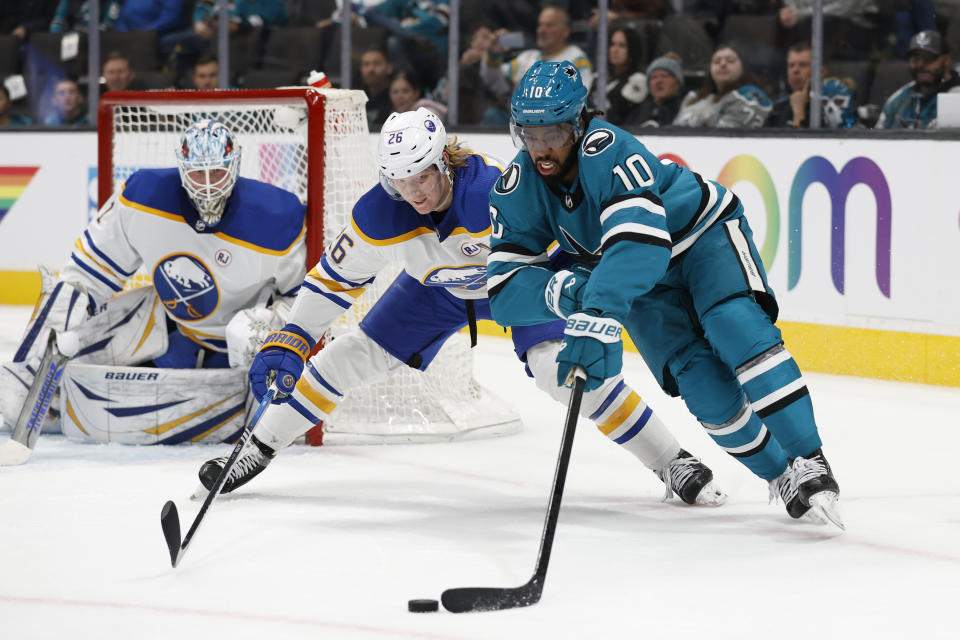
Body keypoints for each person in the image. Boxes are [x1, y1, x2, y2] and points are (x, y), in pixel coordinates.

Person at [197, 107, 726, 507]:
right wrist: (291, 337)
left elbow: (561, 238)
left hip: (515, 281)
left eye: (422, 177)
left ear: (444, 162)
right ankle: (256, 448)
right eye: (400, 182)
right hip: (436, 288)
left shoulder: (495, 190)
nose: (414, 192)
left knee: (560, 369)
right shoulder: (381, 212)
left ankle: (671, 461)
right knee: (347, 356)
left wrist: (576, 285)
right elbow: (333, 281)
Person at [487, 60, 843, 527]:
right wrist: (565, 292)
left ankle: (810, 458)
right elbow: (504, 287)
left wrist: (597, 312)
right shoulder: (517, 187)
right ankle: (782, 475)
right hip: (635, 280)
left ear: (578, 123)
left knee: (732, 324)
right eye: (529, 136)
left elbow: (641, 245)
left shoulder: (609, 150)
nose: (541, 150)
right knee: (701, 385)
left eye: (552, 134)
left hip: (700, 238)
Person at [0, 119, 306, 444]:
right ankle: (26, 386)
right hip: (173, 332)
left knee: (246, 336)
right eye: (196, 173)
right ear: (181, 167)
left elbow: (306, 298)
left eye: (215, 172)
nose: (206, 185)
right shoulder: (143, 197)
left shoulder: (277, 217)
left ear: (234, 166)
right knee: (62, 341)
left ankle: (268, 408)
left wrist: (271, 325)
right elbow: (85, 276)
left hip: (234, 351)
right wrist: (38, 354)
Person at [478, 6, 594, 124]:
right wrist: (493, 53)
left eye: (549, 25)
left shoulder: (576, 58)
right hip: (520, 122)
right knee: (492, 115)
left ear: (565, 32)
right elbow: (494, 80)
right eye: (540, 25)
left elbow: (581, 96)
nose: (541, 30)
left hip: (557, 124)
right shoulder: (527, 57)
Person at [876, 29, 960, 129]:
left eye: (929, 58)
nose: (920, 64)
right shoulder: (899, 98)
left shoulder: (957, 96)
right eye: (915, 58)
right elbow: (879, 133)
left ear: (946, 60)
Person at [673, 44, 772, 128]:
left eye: (730, 61)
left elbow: (724, 136)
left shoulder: (752, 95)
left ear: (743, 68)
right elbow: (675, 131)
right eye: (716, 61)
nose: (723, 64)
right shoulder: (694, 97)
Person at [592, 26, 647, 126]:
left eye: (622, 46)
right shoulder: (598, 77)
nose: (615, 50)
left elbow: (618, 113)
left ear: (632, 50)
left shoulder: (638, 80)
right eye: (612, 44)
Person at [623, 53, 685, 127]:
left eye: (664, 76)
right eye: (654, 77)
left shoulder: (686, 108)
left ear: (677, 81)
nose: (658, 81)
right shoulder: (639, 111)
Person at [358, 47, 395, 130]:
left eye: (376, 63)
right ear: (361, 69)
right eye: (366, 64)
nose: (371, 69)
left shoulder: (398, 95)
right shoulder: (356, 98)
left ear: (389, 68)